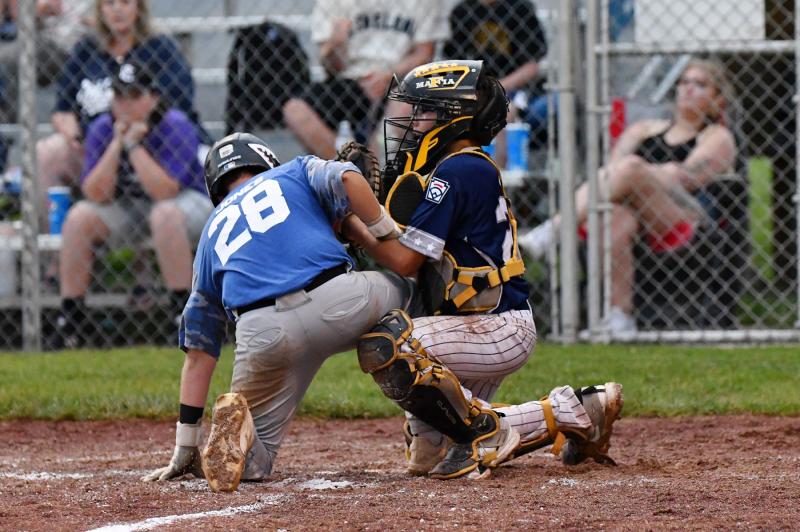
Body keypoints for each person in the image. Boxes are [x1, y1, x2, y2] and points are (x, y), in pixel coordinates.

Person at [343, 60, 623, 480]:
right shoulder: (455, 168)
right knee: (428, 456)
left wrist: (356, 227)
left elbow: (403, 260)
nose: (414, 123)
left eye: (425, 112)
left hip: (494, 327)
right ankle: (577, 411)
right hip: (471, 326)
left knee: (390, 343)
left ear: (455, 118)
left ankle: (505, 426)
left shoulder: (461, 168)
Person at [141, 133, 416, 492]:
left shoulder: (210, 235)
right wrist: (384, 229)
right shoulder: (294, 171)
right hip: (339, 301)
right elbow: (348, 176)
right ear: (265, 160)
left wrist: (184, 445)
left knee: (253, 464)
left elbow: (199, 349)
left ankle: (233, 443)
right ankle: (432, 429)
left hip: (262, 333)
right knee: (413, 293)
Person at [519, 59, 737, 334]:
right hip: (630, 212)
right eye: (684, 82)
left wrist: (640, 173)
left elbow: (684, 178)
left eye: (701, 85)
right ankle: (620, 318)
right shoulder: (645, 128)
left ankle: (552, 231)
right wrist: (651, 173)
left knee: (631, 168)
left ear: (717, 99)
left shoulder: (717, 136)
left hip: (681, 213)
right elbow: (612, 173)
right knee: (615, 214)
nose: (689, 89)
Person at [52, 59, 213, 349]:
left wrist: (134, 147)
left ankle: (185, 316)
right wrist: (116, 145)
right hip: (132, 207)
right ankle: (71, 319)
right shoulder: (104, 127)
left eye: (135, 96)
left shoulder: (174, 125)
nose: (124, 105)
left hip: (187, 204)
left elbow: (165, 191)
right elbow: (95, 193)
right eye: (119, 96)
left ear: (153, 98)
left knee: (163, 215)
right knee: (78, 218)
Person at [36, 0, 208, 229]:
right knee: (47, 152)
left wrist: (132, 136)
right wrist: (74, 134)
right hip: (95, 148)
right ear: (100, 9)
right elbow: (62, 110)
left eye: (125, 2)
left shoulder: (160, 48)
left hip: (154, 149)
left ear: (138, 7)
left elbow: (178, 108)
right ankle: (50, 249)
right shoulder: (87, 49)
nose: (117, 9)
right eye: (109, 3)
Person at [282, 0, 448, 159]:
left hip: (402, 77)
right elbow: (330, 67)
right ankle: (348, 171)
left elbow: (425, 54)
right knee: (295, 110)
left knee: (404, 109)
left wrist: (389, 75)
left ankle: (379, 175)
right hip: (349, 77)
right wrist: (336, 44)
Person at [443, 0, 550, 166]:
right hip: (477, 87)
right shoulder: (463, 12)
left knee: (506, 110)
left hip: (518, 87)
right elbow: (454, 65)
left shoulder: (519, 8)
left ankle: (498, 169)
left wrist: (496, 88)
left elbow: (532, 67)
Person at [0, 0, 92, 171]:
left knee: (7, 59)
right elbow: (18, 16)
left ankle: (5, 142)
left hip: (68, 46)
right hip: (31, 40)